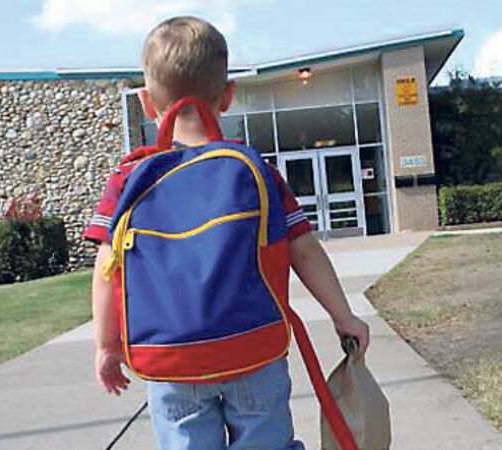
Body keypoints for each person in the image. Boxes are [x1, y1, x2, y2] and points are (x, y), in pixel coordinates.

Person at [82, 16, 370, 450]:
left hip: (170, 359)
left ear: (145, 102)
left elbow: (107, 267)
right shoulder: (257, 172)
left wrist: (106, 346)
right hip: (253, 347)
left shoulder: (129, 180)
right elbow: (305, 250)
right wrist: (343, 316)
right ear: (229, 95)